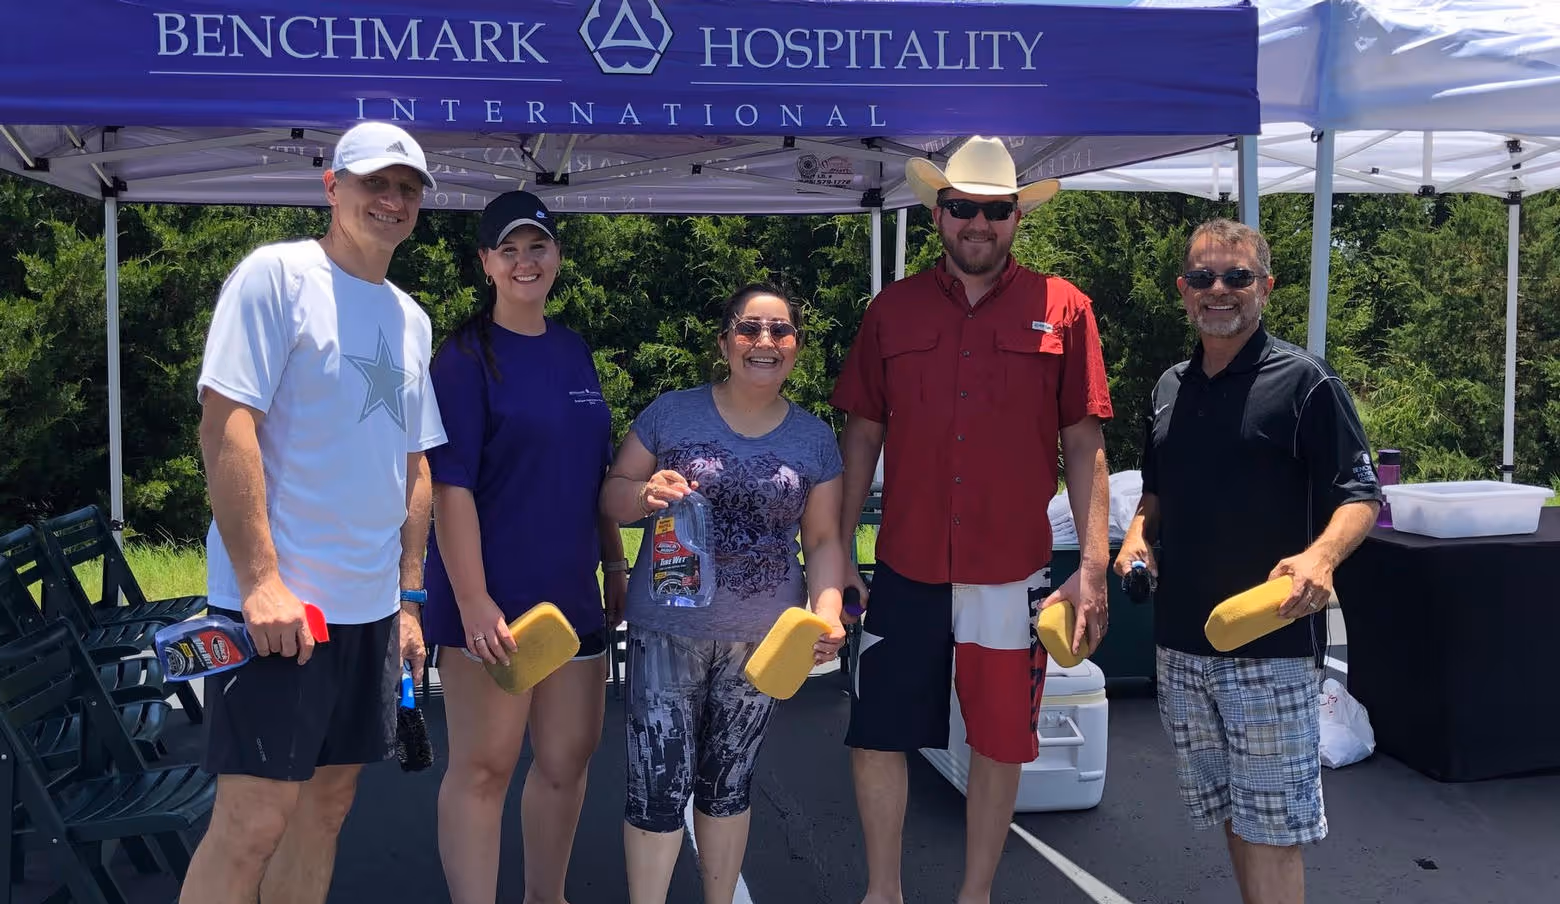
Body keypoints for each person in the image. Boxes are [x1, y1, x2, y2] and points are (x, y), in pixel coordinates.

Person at [830, 136, 1114, 904]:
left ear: (1017, 216)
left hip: (1011, 571)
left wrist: (1092, 570)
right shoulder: (892, 310)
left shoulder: (1066, 307)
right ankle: (882, 892)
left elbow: (1086, 442)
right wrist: (830, 556)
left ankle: (975, 893)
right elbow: (860, 433)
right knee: (877, 734)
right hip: (905, 566)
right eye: (961, 208)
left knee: (999, 740)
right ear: (937, 214)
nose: (976, 224)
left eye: (993, 210)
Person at [181, 121, 445, 904]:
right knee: (253, 821)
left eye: (407, 188)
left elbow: (414, 463)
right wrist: (261, 581)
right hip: (277, 612)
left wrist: (407, 599)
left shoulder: (409, 316)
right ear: (333, 187)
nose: (391, 200)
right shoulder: (276, 277)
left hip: (367, 613)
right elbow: (224, 423)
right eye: (374, 183)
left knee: (324, 812)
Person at [1114, 218, 1381, 904]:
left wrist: (1320, 557)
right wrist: (1138, 534)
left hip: (1272, 638)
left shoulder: (1307, 382)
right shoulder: (1169, 386)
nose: (1219, 291)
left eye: (1237, 277)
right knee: (1233, 811)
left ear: (1267, 286)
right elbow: (1155, 492)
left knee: (1273, 829)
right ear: (1183, 290)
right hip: (1183, 644)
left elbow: (1360, 494)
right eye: (1203, 278)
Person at [599, 283, 848, 904]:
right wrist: (642, 495)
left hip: (763, 645)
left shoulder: (815, 439)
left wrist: (827, 611)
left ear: (796, 347)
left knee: (728, 786)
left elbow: (822, 542)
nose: (764, 342)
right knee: (655, 788)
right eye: (749, 329)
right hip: (666, 633)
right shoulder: (671, 413)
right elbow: (611, 494)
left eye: (779, 331)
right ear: (724, 341)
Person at [418, 189, 627, 904]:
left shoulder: (573, 350)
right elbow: (450, 488)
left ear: (557, 255)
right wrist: (474, 603)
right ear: (485, 264)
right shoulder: (463, 358)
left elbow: (594, 473)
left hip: (572, 597)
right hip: (491, 603)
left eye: (536, 247)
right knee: (484, 768)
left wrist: (616, 564)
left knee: (567, 760)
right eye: (507, 251)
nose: (524, 262)